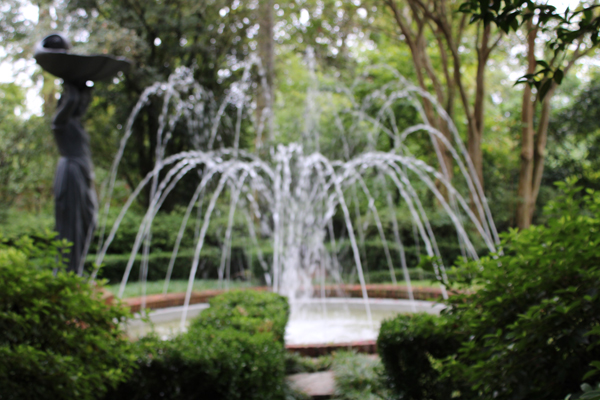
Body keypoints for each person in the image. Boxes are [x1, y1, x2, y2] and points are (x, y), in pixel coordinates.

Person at [52, 80, 97, 275]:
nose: (85, 105)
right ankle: (66, 272)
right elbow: (68, 102)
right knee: (70, 226)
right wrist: (70, 80)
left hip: (83, 177)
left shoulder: (77, 124)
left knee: (88, 224)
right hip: (71, 176)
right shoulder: (62, 122)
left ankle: (75, 269)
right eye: (82, 101)